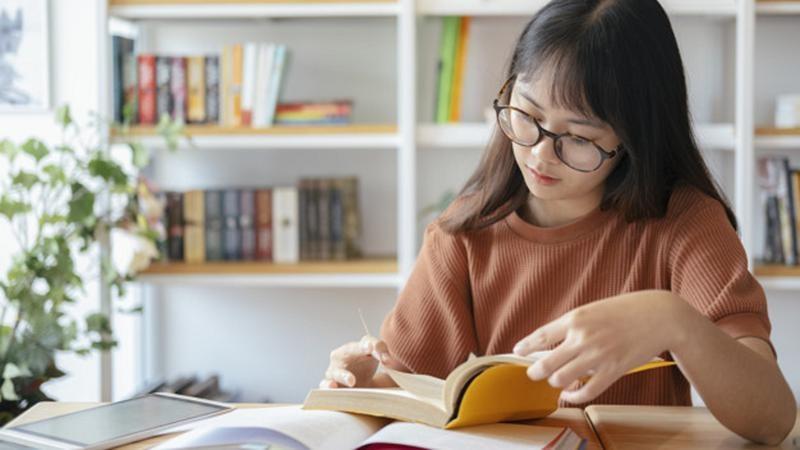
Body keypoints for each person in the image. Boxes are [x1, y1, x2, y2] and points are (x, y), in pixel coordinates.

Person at [319, 0, 796, 444]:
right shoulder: (464, 233)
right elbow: (404, 392)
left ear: (633, 139)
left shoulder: (685, 223)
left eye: (579, 137)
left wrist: (673, 320)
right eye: (526, 114)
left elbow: (773, 419)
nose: (540, 153)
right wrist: (363, 384)